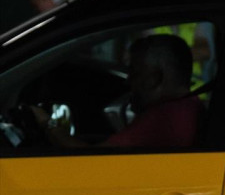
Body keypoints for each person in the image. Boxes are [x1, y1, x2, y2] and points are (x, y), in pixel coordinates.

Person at [33, 34, 203, 148]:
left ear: (155, 78)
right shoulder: (189, 107)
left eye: (135, 73)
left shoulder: (162, 117)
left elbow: (91, 159)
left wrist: (46, 123)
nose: (128, 81)